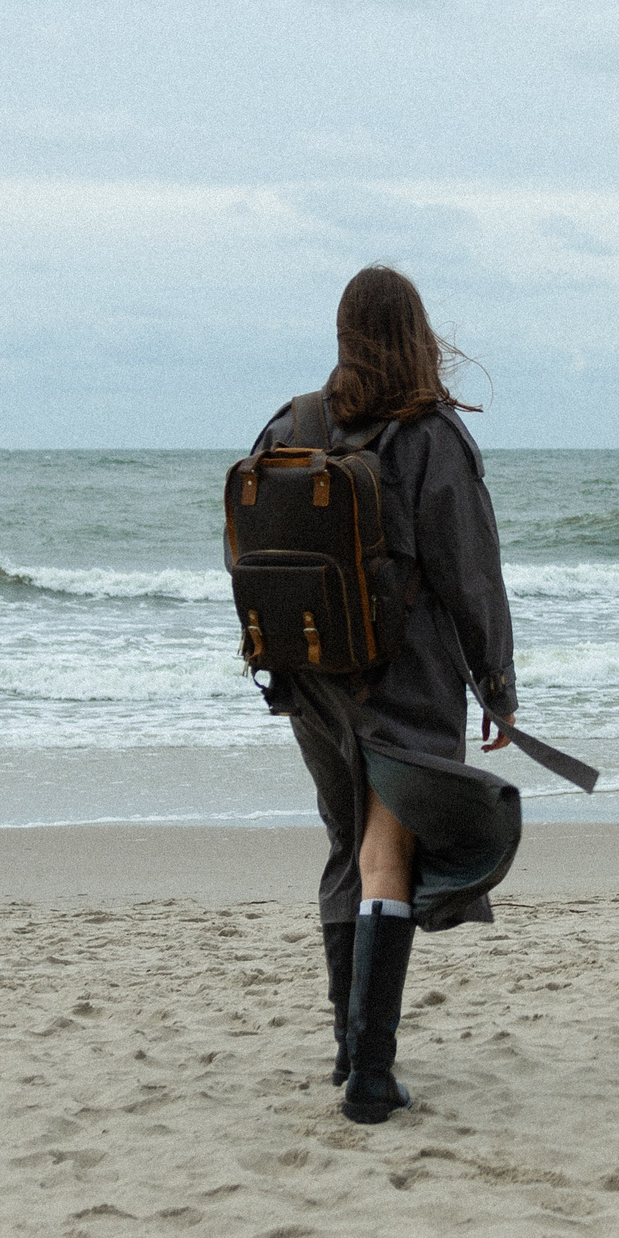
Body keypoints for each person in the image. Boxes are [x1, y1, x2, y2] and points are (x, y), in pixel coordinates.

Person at [245, 265, 524, 1124]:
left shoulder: (290, 423)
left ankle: (347, 1045)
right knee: (385, 852)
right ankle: (371, 1070)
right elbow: (471, 572)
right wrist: (497, 685)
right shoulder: (429, 434)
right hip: (402, 676)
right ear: (418, 335)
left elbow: (250, 552)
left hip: (307, 671)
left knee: (345, 841)